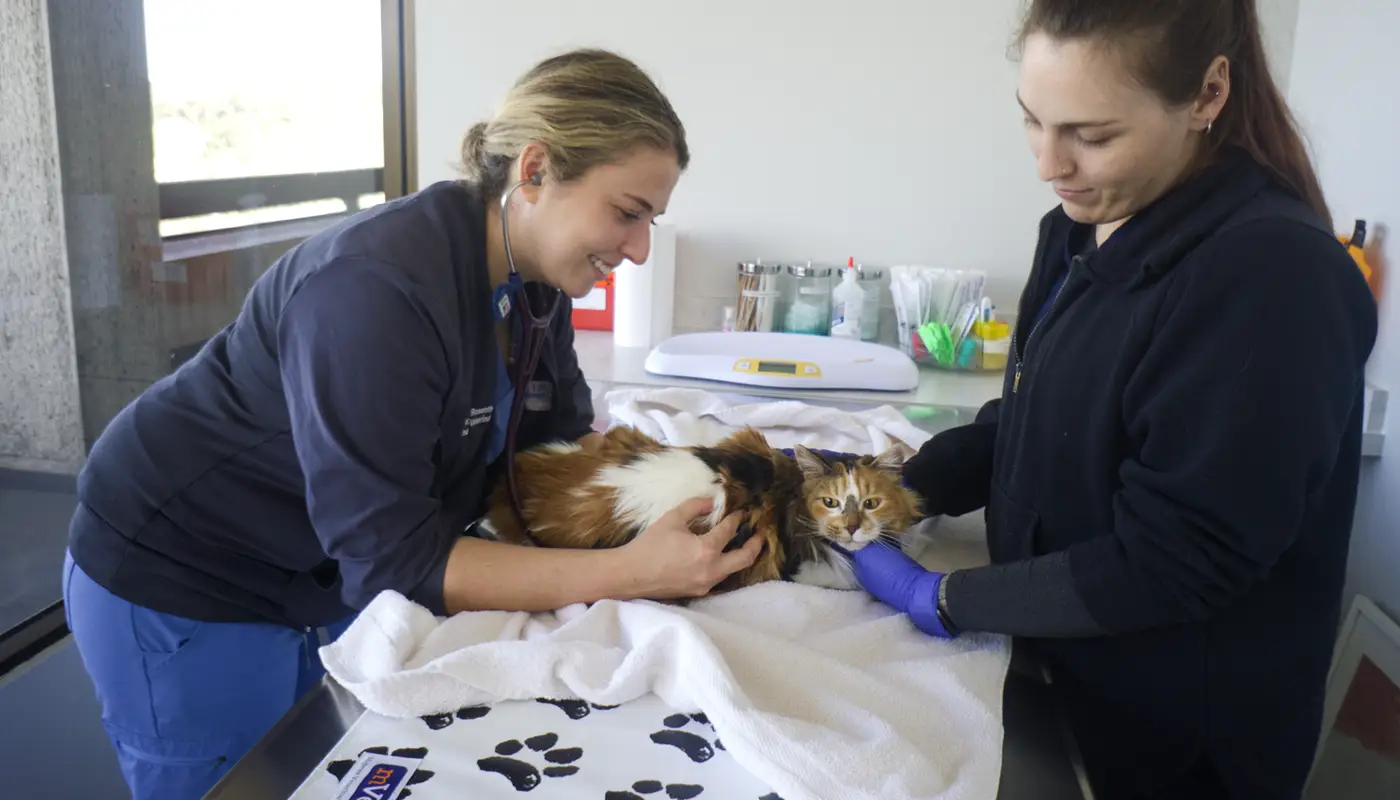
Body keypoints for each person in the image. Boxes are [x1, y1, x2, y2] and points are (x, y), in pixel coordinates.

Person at [61, 48, 762, 800]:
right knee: (246, 786)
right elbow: (393, 563)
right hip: (185, 566)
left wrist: (685, 486)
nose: (640, 248)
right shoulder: (372, 290)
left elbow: (555, 446)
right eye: (627, 213)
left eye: (651, 220)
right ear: (534, 170)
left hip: (321, 568)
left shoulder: (535, 285)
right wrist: (631, 572)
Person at [844, 1, 1378, 798]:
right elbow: (1032, 418)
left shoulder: (1273, 276)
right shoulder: (1078, 228)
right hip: (1055, 670)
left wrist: (945, 597)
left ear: (1207, 94)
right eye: (1033, 121)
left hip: (1170, 742)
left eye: (1091, 137)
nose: (1048, 163)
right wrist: (902, 487)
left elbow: (1179, 557)